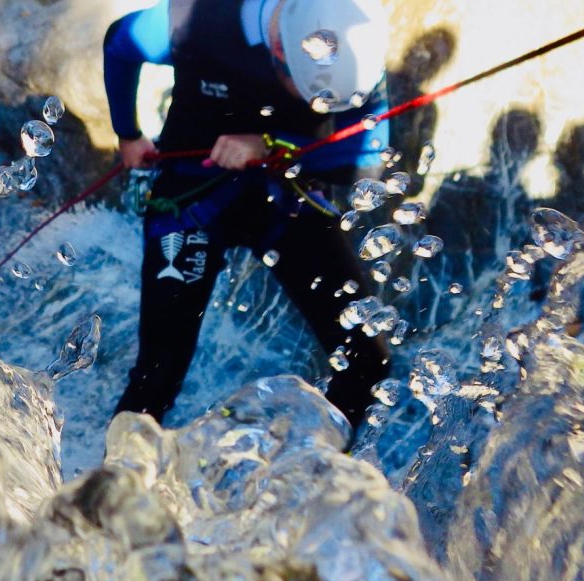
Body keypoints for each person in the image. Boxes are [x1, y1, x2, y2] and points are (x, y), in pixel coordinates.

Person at [103, 0, 392, 429]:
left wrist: (270, 145)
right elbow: (119, 43)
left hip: (285, 193)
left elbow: (368, 159)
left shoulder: (351, 35)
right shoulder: (196, 21)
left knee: (367, 361)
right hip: (193, 195)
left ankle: (318, 477)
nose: (319, 108)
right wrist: (127, 133)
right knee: (156, 376)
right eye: (310, 95)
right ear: (278, 49)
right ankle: (111, 491)